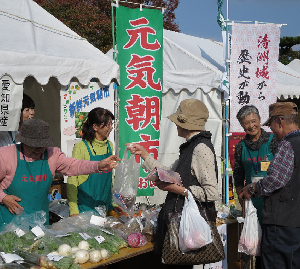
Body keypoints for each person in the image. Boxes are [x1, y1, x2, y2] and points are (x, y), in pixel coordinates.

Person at [127, 99, 219, 269]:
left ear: (186, 123)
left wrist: (179, 190)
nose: (175, 125)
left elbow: (212, 192)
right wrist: (145, 155)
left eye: (178, 121)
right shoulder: (191, 147)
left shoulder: (200, 148)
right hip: (178, 222)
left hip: (184, 224)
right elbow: (168, 171)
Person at [0, 118, 119, 228]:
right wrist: (3, 197)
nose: (39, 149)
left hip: (40, 223)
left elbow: (73, 165)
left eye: (42, 145)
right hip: (10, 223)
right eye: (34, 145)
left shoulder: (52, 154)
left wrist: (97, 165)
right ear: (24, 142)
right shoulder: (6, 155)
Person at [239, 102, 300, 269]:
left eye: (271, 124)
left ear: (280, 122)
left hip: (282, 224)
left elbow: (276, 179)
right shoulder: (241, 146)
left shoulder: (287, 144)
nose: (271, 129)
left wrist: (253, 188)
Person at [234, 105, 279, 223]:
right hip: (251, 198)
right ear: (242, 126)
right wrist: (241, 198)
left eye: (253, 121)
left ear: (259, 120)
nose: (251, 126)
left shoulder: (273, 140)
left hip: (272, 198)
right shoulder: (240, 146)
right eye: (246, 123)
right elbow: (238, 174)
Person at [67, 107, 115, 217]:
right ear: (95, 127)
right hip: (85, 208)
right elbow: (72, 180)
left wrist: (112, 203)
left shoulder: (110, 146)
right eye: (107, 124)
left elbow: (110, 179)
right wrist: (73, 210)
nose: (111, 128)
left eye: (111, 124)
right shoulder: (81, 147)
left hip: (105, 207)